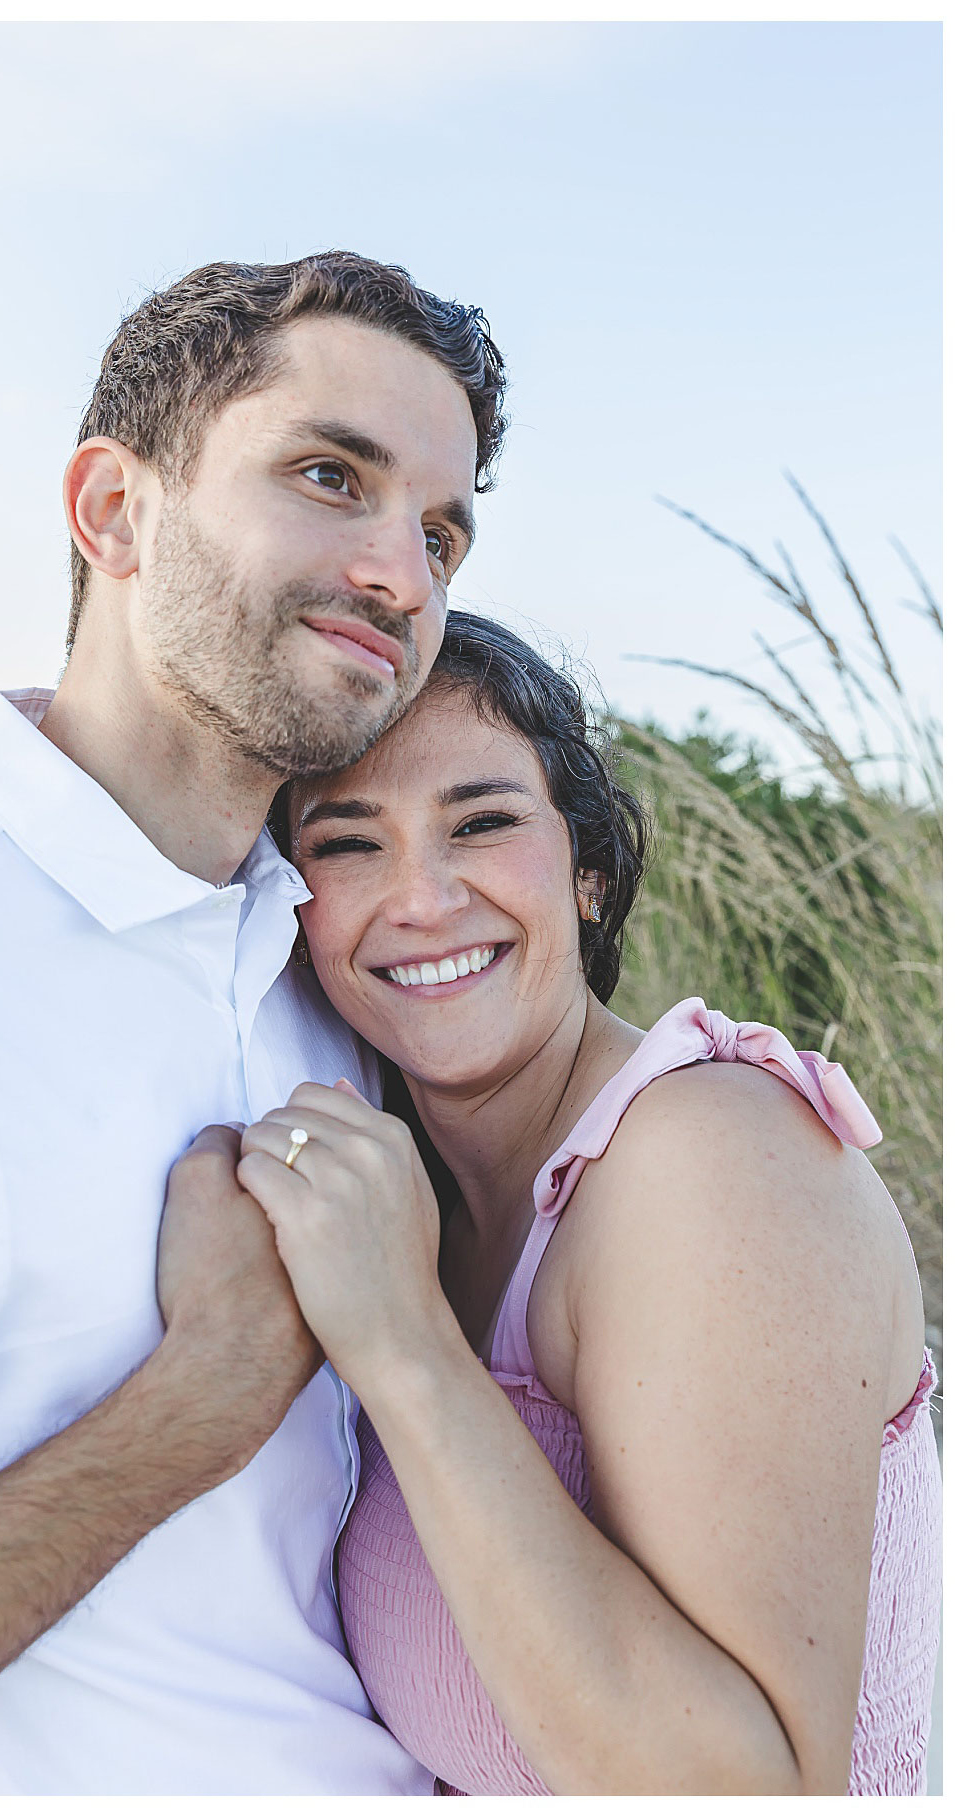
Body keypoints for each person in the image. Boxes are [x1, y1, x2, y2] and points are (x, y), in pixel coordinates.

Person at [0, 253, 506, 1795]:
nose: (403, 577)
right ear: (113, 510)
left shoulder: (335, 963)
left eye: (441, 532)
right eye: (328, 474)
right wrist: (194, 1406)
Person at [231, 611, 941, 1796]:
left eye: (482, 822)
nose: (420, 896)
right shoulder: (419, 1186)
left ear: (589, 868)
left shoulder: (711, 1156)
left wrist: (404, 1347)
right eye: (349, 844)